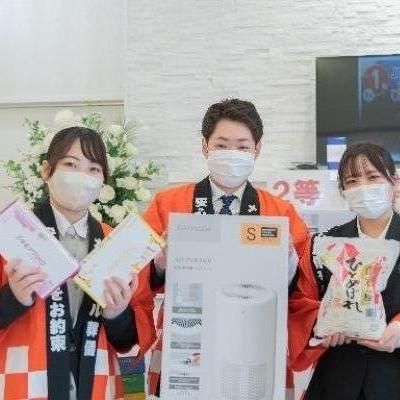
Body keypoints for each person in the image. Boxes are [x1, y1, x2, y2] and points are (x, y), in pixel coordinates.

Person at [135, 98, 310, 397]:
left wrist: (290, 269)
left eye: (242, 147)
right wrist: (159, 265)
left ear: (257, 149)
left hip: (255, 340)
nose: (232, 154)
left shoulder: (280, 213)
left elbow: (303, 290)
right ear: (205, 146)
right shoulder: (169, 203)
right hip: (187, 338)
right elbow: (136, 279)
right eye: (222, 145)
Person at [0, 127, 154, 400]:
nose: (82, 177)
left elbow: (130, 340)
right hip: (23, 382)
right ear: (46, 171)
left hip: (95, 384)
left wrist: (116, 314)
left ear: (103, 182)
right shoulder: (12, 235)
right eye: (70, 165)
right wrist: (13, 298)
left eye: (93, 169)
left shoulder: (116, 244)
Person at [289, 142, 400, 400]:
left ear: (393, 182)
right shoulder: (323, 244)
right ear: (343, 191)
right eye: (352, 181)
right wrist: (323, 323)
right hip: (337, 377)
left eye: (372, 177)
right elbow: (300, 301)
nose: (363, 187)